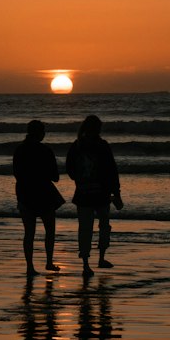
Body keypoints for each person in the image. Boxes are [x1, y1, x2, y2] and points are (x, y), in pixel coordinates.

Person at [66, 114, 123, 279]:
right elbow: (112, 171)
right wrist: (116, 193)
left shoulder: (77, 146)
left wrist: (80, 178)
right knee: (104, 226)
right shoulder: (102, 145)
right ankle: (101, 258)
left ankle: (86, 265)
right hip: (102, 194)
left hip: (83, 193)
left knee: (85, 229)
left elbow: (70, 170)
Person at [12, 120, 63, 277]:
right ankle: (48, 262)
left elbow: (17, 173)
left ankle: (30, 267)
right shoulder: (46, 150)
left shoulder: (19, 150)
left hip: (25, 193)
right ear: (40, 133)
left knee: (29, 233)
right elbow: (55, 177)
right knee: (50, 230)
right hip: (43, 194)